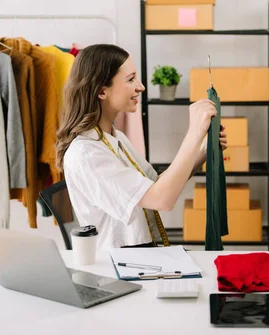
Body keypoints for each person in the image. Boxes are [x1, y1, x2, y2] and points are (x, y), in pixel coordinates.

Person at [56, 44, 227, 250]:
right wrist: (194, 133)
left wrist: (203, 152)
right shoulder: (86, 154)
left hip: (139, 257)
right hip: (118, 265)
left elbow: (157, 185)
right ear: (102, 91)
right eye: (131, 79)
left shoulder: (114, 137)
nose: (141, 87)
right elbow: (161, 199)